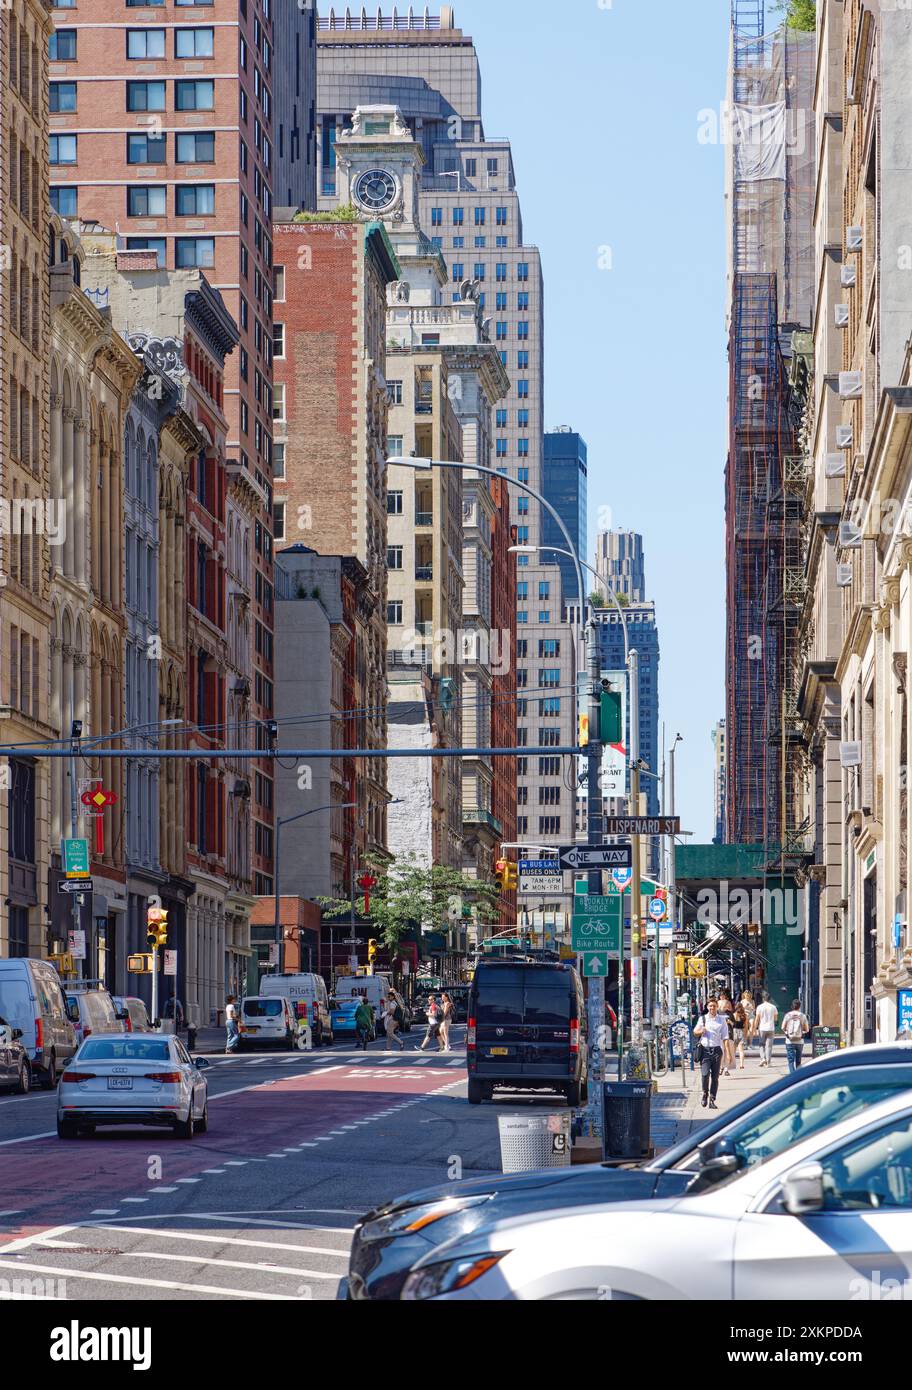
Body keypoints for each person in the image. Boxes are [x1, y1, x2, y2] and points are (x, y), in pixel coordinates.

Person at [694, 997, 727, 1109]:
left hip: (717, 1050)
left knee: (715, 1077)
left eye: (714, 1006)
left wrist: (728, 1054)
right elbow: (695, 1032)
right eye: (710, 1006)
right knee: (704, 1074)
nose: (712, 1008)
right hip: (705, 1050)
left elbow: (725, 1037)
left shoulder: (721, 1020)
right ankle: (705, 1093)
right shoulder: (703, 1019)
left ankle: (712, 1099)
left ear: (717, 1007)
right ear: (707, 1007)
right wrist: (701, 1031)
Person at [781, 998, 810, 1072]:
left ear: (792, 1006)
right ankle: (798, 1076)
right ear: (799, 1006)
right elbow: (807, 1029)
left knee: (791, 1061)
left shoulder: (788, 1015)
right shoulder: (802, 1016)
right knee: (798, 1061)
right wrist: (802, 1033)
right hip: (799, 1041)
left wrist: (787, 1033)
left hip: (789, 1041)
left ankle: (792, 1076)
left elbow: (782, 1027)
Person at [754, 992, 779, 1067]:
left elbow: (757, 1018)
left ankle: (763, 1059)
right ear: (770, 999)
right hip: (771, 1028)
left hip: (762, 1028)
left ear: (763, 998)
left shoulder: (759, 1007)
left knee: (761, 1044)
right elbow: (776, 1019)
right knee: (769, 1046)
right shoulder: (773, 1007)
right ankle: (768, 1062)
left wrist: (755, 1028)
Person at [718, 990, 735, 1076]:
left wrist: (729, 1022)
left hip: (728, 1033)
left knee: (728, 1051)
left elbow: (733, 1023)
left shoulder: (729, 1014)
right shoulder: (717, 1015)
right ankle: (721, 1067)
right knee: (721, 1051)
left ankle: (726, 1069)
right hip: (720, 1035)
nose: (724, 1006)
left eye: (726, 1004)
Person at [731, 999, 748, 1070]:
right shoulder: (744, 1016)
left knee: (733, 1050)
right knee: (741, 1050)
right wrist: (745, 1035)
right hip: (741, 1032)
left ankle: (732, 1063)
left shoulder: (733, 1015)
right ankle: (741, 1065)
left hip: (734, 1032)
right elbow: (746, 1027)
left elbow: (732, 1025)